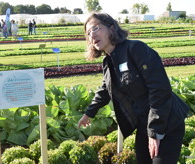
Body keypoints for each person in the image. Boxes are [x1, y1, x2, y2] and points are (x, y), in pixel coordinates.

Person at [77, 13, 189, 164]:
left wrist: (156, 132)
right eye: (88, 33)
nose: (92, 35)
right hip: (144, 124)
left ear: (112, 28)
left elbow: (160, 90)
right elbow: (105, 89)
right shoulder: (108, 61)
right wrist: (89, 113)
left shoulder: (136, 49)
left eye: (96, 28)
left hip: (167, 121)